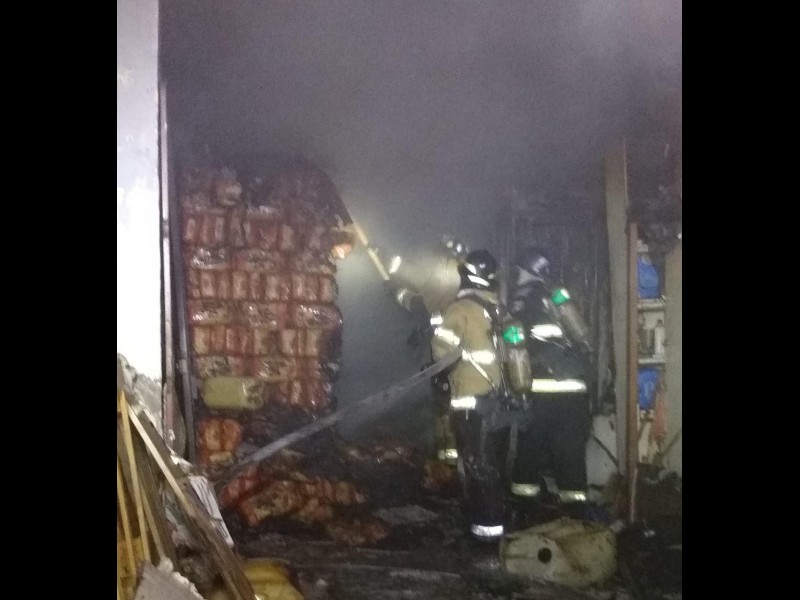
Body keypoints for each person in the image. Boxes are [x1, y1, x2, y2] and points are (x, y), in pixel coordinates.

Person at [430, 249, 509, 541]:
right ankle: (492, 523)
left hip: (472, 403)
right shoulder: (498, 308)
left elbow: (441, 355)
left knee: (478, 466)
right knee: (493, 465)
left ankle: (486, 533)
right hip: (499, 402)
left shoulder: (460, 309)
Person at [507, 246, 592, 511]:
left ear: (526, 270)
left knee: (530, 449)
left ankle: (524, 508)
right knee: (570, 451)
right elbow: (580, 337)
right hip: (575, 387)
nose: (516, 275)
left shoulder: (523, 299)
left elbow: (514, 342)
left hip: (542, 390)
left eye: (518, 271)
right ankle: (576, 511)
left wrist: (515, 385)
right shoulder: (557, 295)